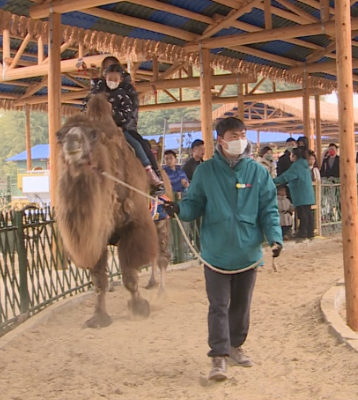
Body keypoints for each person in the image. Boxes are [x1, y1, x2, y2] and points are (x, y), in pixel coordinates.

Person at [163, 117, 283, 382]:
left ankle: (235, 346)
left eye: (242, 134)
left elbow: (269, 210)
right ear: (220, 140)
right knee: (218, 305)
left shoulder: (258, 172)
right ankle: (218, 356)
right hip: (215, 253)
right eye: (233, 135)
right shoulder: (205, 172)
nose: (239, 139)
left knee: (241, 305)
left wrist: (275, 238)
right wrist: (180, 209)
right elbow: (194, 204)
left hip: (247, 252)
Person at [84, 61, 164, 194]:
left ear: (121, 79)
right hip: (97, 128)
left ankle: (150, 172)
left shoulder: (124, 92)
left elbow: (129, 112)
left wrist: (113, 114)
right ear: (104, 76)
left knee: (137, 145)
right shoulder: (96, 91)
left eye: (115, 79)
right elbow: (85, 107)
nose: (112, 81)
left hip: (119, 128)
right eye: (110, 78)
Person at [274, 147, 316, 239]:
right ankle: (310, 232)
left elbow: (286, 176)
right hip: (307, 193)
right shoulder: (304, 164)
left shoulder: (297, 166)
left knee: (303, 214)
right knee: (308, 213)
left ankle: (303, 232)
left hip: (300, 193)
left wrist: (272, 181)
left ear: (294, 156)